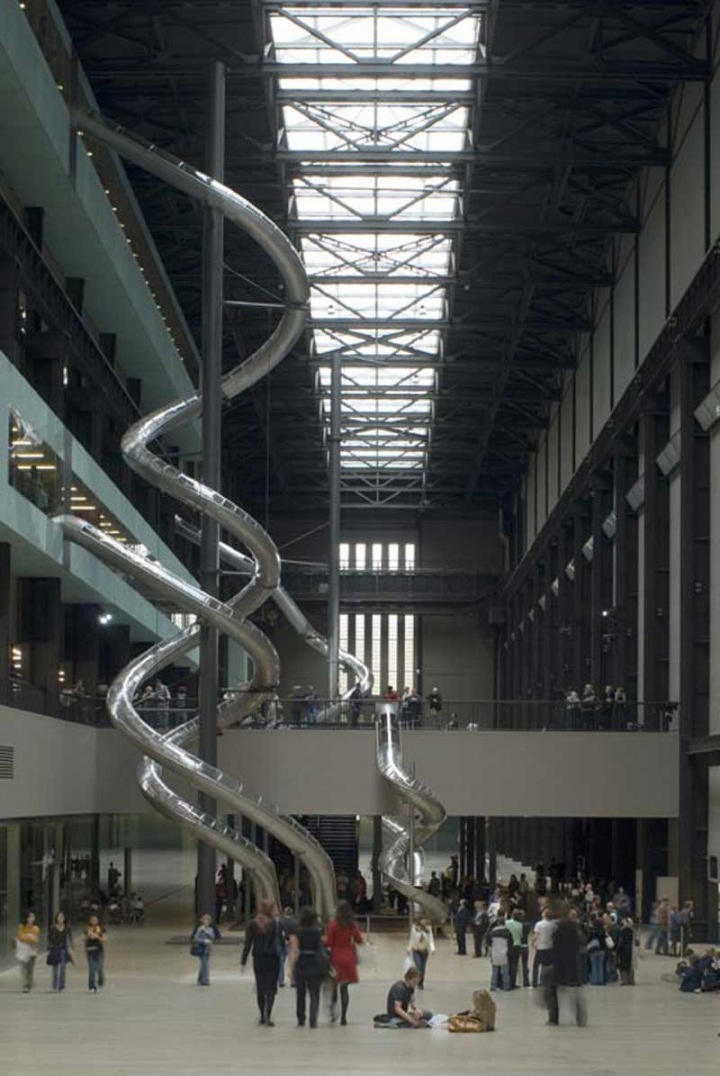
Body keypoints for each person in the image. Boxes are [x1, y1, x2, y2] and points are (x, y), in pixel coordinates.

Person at [241, 899, 281, 1025]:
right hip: (273, 957)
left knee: (261, 986)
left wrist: (243, 960)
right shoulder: (274, 923)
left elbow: (248, 943)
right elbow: (278, 940)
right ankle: (268, 1014)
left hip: (258, 957)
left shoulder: (252, 924)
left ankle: (262, 1015)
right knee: (271, 987)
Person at [324, 900, 364, 1025]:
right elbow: (359, 940)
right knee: (344, 989)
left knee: (334, 986)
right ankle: (344, 1017)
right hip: (348, 958)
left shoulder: (333, 924)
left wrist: (322, 939)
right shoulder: (352, 925)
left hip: (336, 957)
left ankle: (333, 1011)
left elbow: (329, 942)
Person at [548, 908, 588, 1027]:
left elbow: (553, 942)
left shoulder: (559, 927)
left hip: (560, 963)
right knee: (576, 991)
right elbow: (583, 941)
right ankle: (580, 1018)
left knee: (554, 990)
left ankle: (554, 1018)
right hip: (573, 963)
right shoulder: (577, 928)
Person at [288, 906, 326, 1028]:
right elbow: (322, 946)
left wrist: (290, 967)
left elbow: (294, 950)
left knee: (300, 992)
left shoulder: (297, 931)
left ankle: (300, 1018)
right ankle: (313, 1019)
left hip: (301, 963)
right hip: (315, 963)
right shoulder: (318, 931)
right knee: (314, 993)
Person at [47, 911, 73, 992]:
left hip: (63, 949)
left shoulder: (67, 927)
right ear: (56, 919)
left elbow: (69, 938)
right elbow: (49, 938)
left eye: (62, 917)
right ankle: (55, 985)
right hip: (55, 949)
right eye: (59, 917)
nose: (60, 919)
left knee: (63, 968)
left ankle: (61, 986)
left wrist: (71, 948)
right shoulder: (53, 928)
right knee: (55, 969)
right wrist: (50, 946)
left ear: (64, 918)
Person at [531, 906, 556, 988]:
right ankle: (549, 981)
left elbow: (536, 935)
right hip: (549, 947)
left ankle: (534, 983)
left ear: (544, 915)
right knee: (548, 965)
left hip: (540, 947)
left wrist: (533, 942)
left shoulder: (538, 924)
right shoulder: (553, 924)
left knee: (536, 966)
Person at [16, 911, 40, 993]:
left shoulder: (35, 928)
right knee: (24, 969)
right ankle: (27, 984)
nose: (32, 918)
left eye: (33, 917)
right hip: (23, 952)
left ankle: (28, 985)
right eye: (31, 917)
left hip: (32, 952)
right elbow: (20, 937)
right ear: (27, 918)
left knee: (30, 969)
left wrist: (27, 937)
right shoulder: (22, 927)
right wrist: (29, 937)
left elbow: (35, 940)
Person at [488, 913, 512, 992]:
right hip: (504, 953)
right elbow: (510, 943)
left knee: (495, 971)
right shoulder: (507, 932)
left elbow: (489, 943)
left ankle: (493, 986)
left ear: (497, 923)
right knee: (505, 971)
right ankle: (506, 986)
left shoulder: (492, 932)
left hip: (495, 953)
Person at [408, 918, 434, 988]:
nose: (424, 921)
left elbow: (431, 939)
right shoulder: (414, 929)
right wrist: (409, 948)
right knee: (419, 966)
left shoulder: (428, 929)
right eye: (422, 920)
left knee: (423, 967)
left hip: (424, 951)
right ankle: (418, 981)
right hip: (416, 950)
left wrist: (432, 948)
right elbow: (412, 939)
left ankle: (421, 981)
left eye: (425, 920)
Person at [192, 913, 217, 987]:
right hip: (201, 949)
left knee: (203, 964)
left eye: (208, 921)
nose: (206, 922)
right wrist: (204, 941)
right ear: (203, 921)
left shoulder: (210, 929)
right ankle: (205, 980)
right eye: (205, 920)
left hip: (208, 949)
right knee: (205, 964)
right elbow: (196, 938)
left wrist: (206, 933)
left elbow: (213, 937)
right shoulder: (200, 929)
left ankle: (200, 979)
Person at [85, 914, 106, 993]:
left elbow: (104, 939)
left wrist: (98, 937)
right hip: (90, 951)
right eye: (92, 919)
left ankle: (100, 982)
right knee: (91, 969)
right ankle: (91, 986)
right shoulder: (87, 928)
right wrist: (89, 935)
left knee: (99, 968)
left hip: (99, 951)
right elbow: (86, 938)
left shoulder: (101, 928)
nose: (94, 921)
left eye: (95, 919)